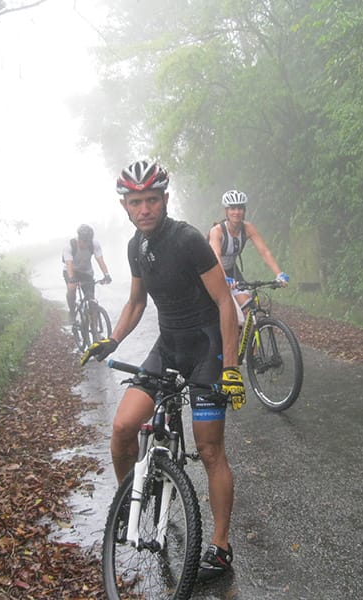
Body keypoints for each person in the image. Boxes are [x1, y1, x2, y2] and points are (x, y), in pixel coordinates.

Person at [80, 159, 245, 580]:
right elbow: (137, 302)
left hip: (206, 349)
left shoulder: (188, 239)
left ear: (165, 199)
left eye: (152, 200)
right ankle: (132, 504)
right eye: (136, 202)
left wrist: (230, 368)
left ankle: (220, 547)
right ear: (125, 206)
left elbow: (224, 302)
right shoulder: (135, 246)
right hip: (168, 347)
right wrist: (112, 340)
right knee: (123, 429)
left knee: (210, 450)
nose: (145, 209)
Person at [207, 190, 289, 310]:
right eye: (232, 208)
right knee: (224, 308)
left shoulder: (248, 228)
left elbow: (264, 252)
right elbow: (216, 256)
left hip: (231, 271)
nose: (236, 212)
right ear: (226, 211)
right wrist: (224, 277)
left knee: (248, 308)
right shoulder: (217, 231)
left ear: (244, 210)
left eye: (240, 208)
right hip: (213, 271)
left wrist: (279, 274)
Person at [62, 224, 111, 324]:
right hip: (71, 270)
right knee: (71, 288)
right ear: (79, 239)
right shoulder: (70, 245)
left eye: (88, 242)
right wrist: (71, 279)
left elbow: (100, 260)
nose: (85, 244)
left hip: (86, 272)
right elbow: (69, 263)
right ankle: (72, 312)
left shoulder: (94, 244)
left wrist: (106, 274)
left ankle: (95, 328)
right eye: (84, 241)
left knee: (92, 300)